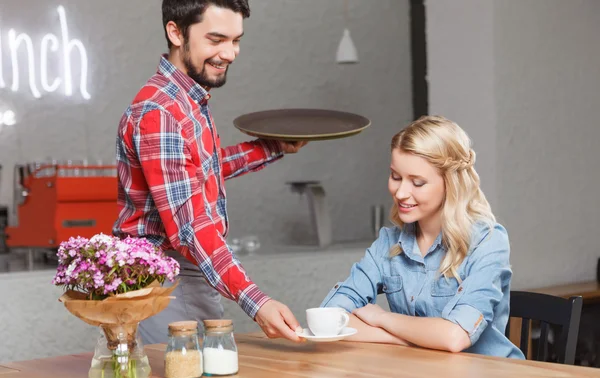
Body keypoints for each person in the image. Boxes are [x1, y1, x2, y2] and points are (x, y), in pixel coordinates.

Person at [113, 0, 306, 344]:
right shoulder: (160, 113)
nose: (230, 53)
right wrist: (257, 301)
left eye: (236, 40)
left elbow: (202, 170)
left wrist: (274, 146)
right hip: (166, 278)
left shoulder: (186, 100)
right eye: (216, 40)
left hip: (184, 273)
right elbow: (189, 227)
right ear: (176, 32)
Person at [320, 115, 524, 358]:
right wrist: (410, 340)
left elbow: (454, 336)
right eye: (396, 177)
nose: (401, 192)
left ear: (450, 183)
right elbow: (330, 315)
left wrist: (381, 318)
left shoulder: (488, 241)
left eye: (417, 182)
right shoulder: (388, 243)